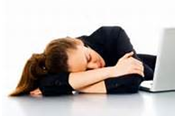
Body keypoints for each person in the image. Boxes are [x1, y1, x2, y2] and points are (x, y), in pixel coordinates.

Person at [9, 26, 156, 96]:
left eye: (89, 58)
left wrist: (78, 86)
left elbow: (134, 78)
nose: (95, 66)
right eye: (87, 70)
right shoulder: (57, 68)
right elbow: (46, 83)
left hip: (165, 70)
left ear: (78, 42)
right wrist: (113, 70)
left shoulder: (112, 35)